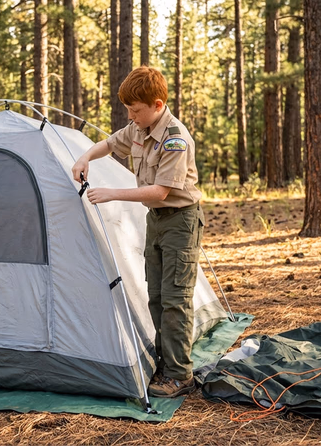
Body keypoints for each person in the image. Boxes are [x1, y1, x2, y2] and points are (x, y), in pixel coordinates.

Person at [71, 66, 205, 398]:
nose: (130, 117)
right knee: (156, 297)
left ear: (157, 105)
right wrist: (85, 156)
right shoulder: (139, 128)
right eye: (128, 111)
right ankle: (166, 363)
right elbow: (109, 143)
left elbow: (160, 191)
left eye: (136, 110)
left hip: (180, 222)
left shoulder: (174, 138)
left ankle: (179, 375)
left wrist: (112, 193)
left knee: (175, 300)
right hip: (156, 222)